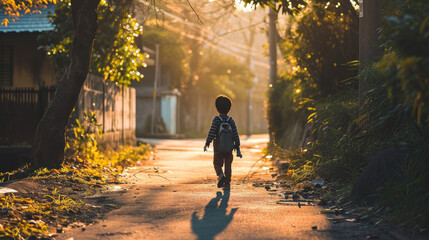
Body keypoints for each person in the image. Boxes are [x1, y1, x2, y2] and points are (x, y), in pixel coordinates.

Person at [204, 95, 242, 190]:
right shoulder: (231, 121)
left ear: (217, 109)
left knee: (217, 163)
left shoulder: (216, 120)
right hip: (229, 148)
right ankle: (227, 183)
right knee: (228, 165)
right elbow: (235, 134)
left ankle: (220, 175)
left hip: (218, 148)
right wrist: (237, 146)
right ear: (229, 110)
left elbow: (212, 132)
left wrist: (207, 142)